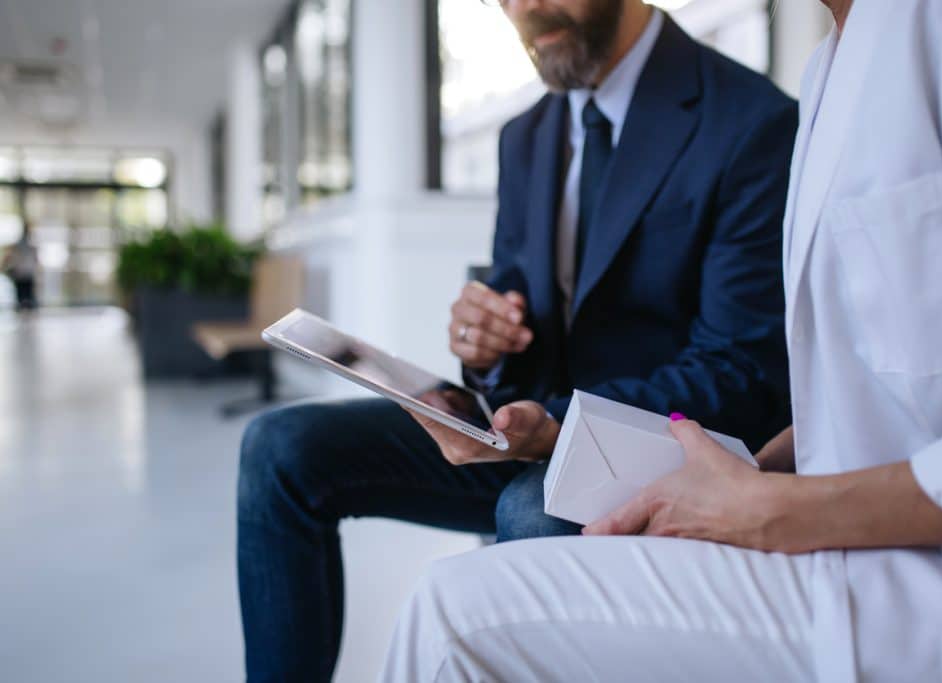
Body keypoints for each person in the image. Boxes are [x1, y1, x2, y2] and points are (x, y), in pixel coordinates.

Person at [381, 1, 942, 680]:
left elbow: (743, 364)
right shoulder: (835, 67)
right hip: (847, 542)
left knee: (454, 617)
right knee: (295, 453)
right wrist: (765, 468)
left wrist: (778, 509)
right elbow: (884, 389)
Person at [237, 0, 796, 679]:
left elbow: (741, 373)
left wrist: (560, 424)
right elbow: (516, 325)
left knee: (531, 509)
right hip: (533, 436)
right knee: (278, 450)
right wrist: (485, 350)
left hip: (663, 448)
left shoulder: (749, 121)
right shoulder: (526, 136)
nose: (524, 7)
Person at [2, 227, 38, 311]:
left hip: (22, 273)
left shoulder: (20, 246)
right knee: (27, 297)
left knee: (22, 297)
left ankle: (24, 311)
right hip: (26, 273)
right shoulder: (30, 246)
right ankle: (26, 312)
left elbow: (8, 258)